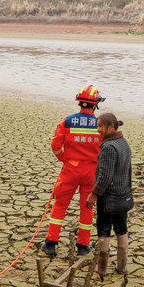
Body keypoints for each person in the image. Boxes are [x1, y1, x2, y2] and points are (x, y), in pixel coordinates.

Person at [41, 85, 105, 258]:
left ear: (80, 103)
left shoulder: (67, 121)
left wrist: (64, 158)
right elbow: (105, 149)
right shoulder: (101, 124)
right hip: (92, 171)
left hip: (71, 169)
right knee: (87, 207)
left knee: (60, 204)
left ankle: (50, 244)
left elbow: (55, 145)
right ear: (95, 104)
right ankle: (83, 246)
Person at [85, 113, 132, 278]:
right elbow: (128, 172)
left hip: (109, 198)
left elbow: (104, 176)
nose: (98, 130)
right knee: (121, 229)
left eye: (100, 126)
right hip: (124, 196)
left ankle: (102, 270)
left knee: (104, 231)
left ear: (111, 127)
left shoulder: (108, 147)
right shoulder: (123, 143)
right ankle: (122, 267)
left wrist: (93, 195)